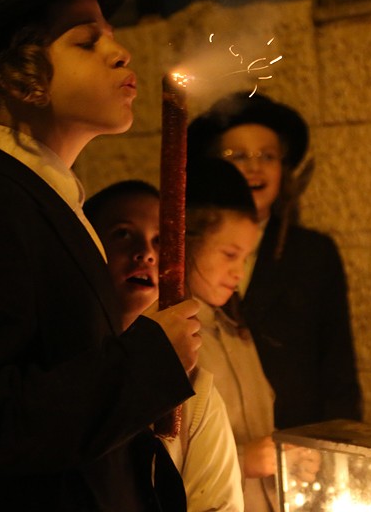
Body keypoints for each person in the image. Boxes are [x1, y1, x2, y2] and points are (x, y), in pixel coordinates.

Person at [0, 0, 201, 510]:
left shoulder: (46, 197)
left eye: (111, 37)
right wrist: (147, 362)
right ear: (19, 77)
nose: (120, 53)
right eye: (87, 43)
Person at [188, 92, 362, 430]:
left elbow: (336, 366)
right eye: (237, 155)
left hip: (300, 445)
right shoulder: (183, 254)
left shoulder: (314, 253)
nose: (254, 167)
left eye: (268, 156)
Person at [84, 180, 244, 512]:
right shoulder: (63, 373)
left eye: (161, 241)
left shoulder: (192, 391)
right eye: (123, 234)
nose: (146, 253)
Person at [182, 158, 282, 511]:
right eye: (229, 254)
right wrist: (243, 460)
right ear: (186, 240)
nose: (238, 272)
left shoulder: (236, 331)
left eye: (246, 258)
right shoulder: (173, 338)